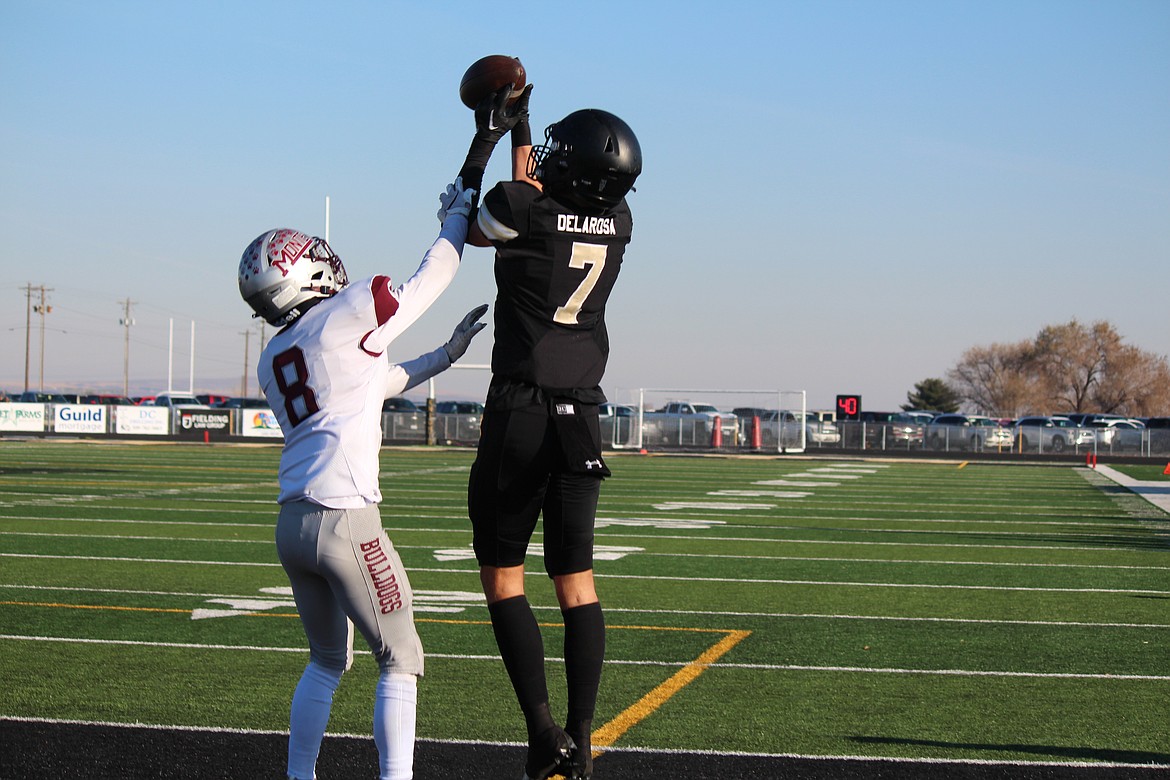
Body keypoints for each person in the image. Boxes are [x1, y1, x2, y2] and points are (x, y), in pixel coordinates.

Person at [236, 181, 487, 780]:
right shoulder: (343, 315)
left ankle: (300, 775)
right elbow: (431, 280)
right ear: (297, 275)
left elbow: (374, 382)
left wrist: (445, 356)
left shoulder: (277, 359)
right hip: (345, 517)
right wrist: (454, 221)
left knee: (326, 660)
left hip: (293, 523)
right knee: (401, 659)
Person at [459, 84, 643, 780]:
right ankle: (583, 735)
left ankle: (540, 732)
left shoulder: (523, 210)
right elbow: (539, 187)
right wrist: (526, 127)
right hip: (583, 417)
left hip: (521, 411)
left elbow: (473, 221)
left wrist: (488, 137)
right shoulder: (619, 220)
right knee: (577, 582)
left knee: (504, 576)